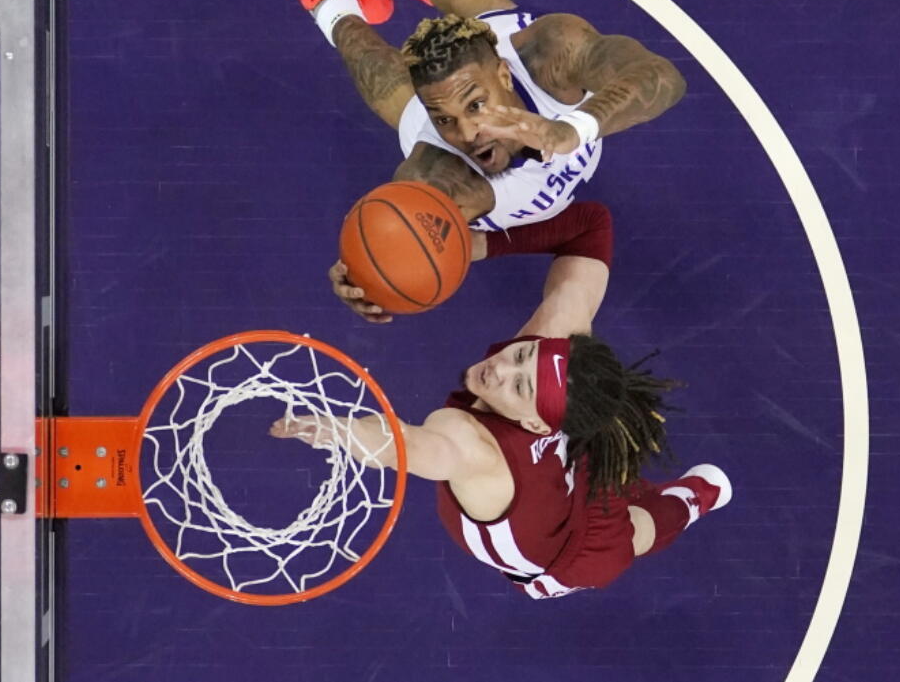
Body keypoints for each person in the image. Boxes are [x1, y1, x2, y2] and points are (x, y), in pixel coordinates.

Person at [270, 201, 731, 599]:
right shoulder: (554, 342)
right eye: (522, 354)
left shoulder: (471, 445)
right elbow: (593, 224)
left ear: (536, 424)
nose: (502, 368)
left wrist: (335, 430)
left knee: (638, 532)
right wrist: (474, 246)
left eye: (520, 385)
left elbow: (405, 446)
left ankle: (693, 499)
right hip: (566, 454)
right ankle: (660, 484)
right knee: (593, 447)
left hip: (566, 550)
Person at [281, 0, 687, 320]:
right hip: (448, 117)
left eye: (477, 105)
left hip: (514, 59)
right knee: (376, 72)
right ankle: (334, 5)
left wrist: (570, 130)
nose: (469, 132)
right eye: (446, 119)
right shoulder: (433, 176)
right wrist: (361, 271)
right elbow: (393, 242)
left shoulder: (551, 54)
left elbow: (662, 78)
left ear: (504, 75)